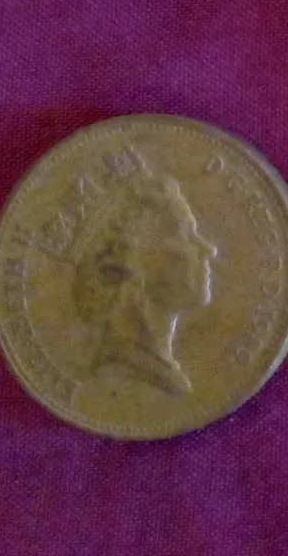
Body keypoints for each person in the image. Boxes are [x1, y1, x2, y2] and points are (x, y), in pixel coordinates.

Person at [71, 154, 218, 395]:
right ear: (133, 260)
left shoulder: (155, 370)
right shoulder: (128, 375)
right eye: (186, 236)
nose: (209, 249)